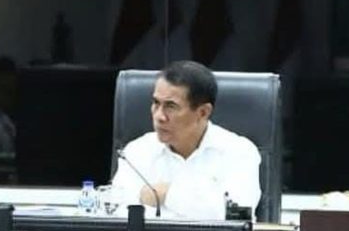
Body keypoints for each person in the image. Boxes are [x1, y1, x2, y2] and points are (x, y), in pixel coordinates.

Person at [111, 61, 261, 220]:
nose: (159, 116)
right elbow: (117, 212)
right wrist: (203, 203)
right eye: (156, 103)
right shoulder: (136, 152)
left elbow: (237, 216)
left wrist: (165, 193)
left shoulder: (239, 152)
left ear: (203, 112)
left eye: (171, 106)